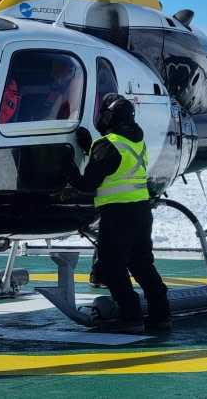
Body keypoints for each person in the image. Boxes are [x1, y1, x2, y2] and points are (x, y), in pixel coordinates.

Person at [62, 93, 171, 333]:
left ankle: (130, 316)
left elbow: (87, 183)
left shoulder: (108, 144)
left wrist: (67, 165)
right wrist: (90, 145)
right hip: (141, 211)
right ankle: (161, 315)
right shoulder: (134, 141)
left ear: (109, 115)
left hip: (118, 215)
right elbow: (114, 166)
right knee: (142, 264)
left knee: (111, 266)